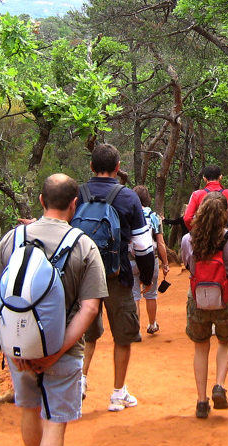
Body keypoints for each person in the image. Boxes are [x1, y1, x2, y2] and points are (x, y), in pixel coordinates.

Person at [0, 174, 107, 446]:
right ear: (74, 205)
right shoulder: (84, 246)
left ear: (41, 200)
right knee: (55, 422)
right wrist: (56, 352)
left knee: (29, 410)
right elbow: (90, 309)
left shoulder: (13, 239)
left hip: (18, 346)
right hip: (64, 352)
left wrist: (11, 346)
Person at [76, 144, 156, 411]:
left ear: (90, 167)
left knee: (86, 333)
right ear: (118, 167)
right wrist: (145, 277)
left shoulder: (77, 194)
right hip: (117, 276)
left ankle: (80, 382)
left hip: (82, 277)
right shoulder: (128, 197)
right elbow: (144, 246)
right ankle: (118, 393)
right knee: (123, 335)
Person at [180, 192, 228, 418]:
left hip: (198, 301)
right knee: (225, 341)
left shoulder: (188, 240)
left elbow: (188, 266)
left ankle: (201, 401)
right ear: (225, 215)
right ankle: (219, 385)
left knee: (200, 346)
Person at [131, 185, 170, 336]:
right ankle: (152, 324)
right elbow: (160, 243)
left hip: (131, 260)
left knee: (134, 295)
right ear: (147, 199)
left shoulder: (128, 214)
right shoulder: (154, 217)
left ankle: (135, 331)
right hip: (150, 259)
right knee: (151, 294)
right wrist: (165, 263)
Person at [183, 164, 228, 232]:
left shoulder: (196, 195)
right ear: (220, 177)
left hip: (203, 236)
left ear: (204, 178)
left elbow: (187, 218)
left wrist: (196, 232)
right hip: (224, 236)